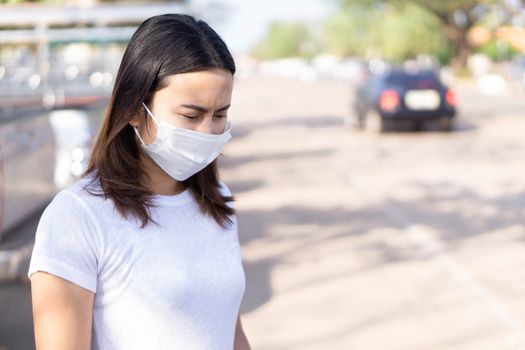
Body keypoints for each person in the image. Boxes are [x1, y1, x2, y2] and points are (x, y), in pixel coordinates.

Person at [28, 13, 251, 350]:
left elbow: (229, 332)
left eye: (220, 114)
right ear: (134, 108)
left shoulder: (216, 201)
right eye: (191, 115)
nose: (208, 131)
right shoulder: (78, 216)